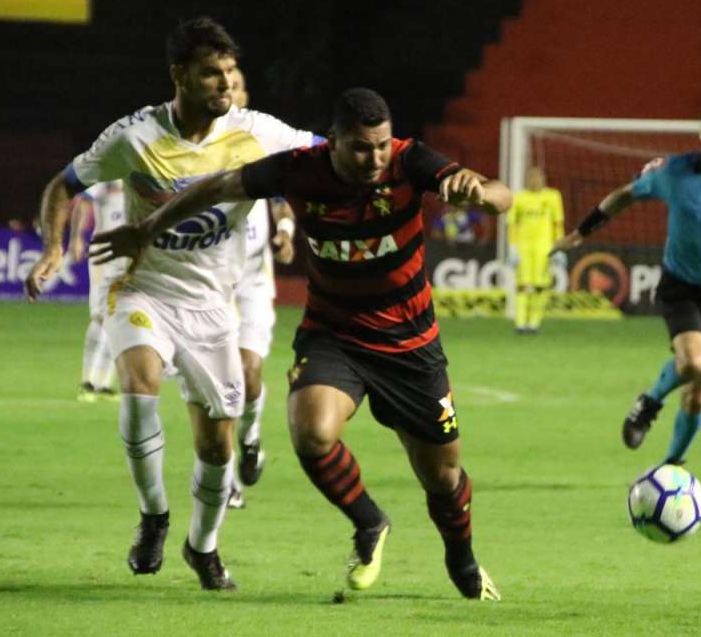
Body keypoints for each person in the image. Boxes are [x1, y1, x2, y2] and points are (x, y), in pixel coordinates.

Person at [90, 87, 510, 601]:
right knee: (310, 433)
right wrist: (148, 227)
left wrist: (480, 192)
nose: (374, 158)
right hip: (335, 335)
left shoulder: (410, 161)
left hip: (409, 343)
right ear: (332, 142)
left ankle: (462, 560)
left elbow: (500, 194)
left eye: (380, 145)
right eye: (360, 147)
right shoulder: (298, 169)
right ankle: (369, 521)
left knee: (442, 477)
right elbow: (215, 187)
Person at [23, 17, 321, 591]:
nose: (225, 84)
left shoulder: (257, 131)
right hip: (142, 288)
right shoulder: (134, 136)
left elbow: (328, 154)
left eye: (231, 72)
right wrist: (52, 250)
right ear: (179, 76)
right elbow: (64, 185)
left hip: (213, 305)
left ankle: (202, 548)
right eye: (212, 73)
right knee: (137, 388)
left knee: (217, 442)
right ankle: (154, 516)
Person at [553, 100, 701, 463]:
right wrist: (583, 231)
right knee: (694, 362)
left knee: (699, 395)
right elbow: (626, 195)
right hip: (680, 285)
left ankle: (671, 465)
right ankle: (650, 401)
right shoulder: (674, 172)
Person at [224, 67, 299, 509]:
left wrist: (286, 230)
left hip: (252, 280)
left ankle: (250, 438)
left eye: (234, 84)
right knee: (222, 382)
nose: (226, 91)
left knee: (249, 370)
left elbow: (281, 195)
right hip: (209, 280)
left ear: (245, 93)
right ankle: (227, 477)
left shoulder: (259, 139)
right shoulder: (194, 145)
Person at [69, 180, 126, 402]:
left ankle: (103, 384)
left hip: (130, 254)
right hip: (105, 253)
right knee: (100, 317)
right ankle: (87, 381)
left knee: (121, 317)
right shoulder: (110, 174)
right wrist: (76, 238)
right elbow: (83, 201)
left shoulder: (144, 175)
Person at [507, 165, 564, 334]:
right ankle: (520, 323)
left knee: (541, 286)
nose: (534, 180)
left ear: (543, 179)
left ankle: (534, 323)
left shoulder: (553, 196)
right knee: (522, 285)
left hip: (544, 248)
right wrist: (512, 249)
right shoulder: (518, 198)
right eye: (531, 177)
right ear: (526, 179)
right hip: (523, 248)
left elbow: (557, 224)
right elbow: (512, 225)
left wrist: (558, 247)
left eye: (538, 177)